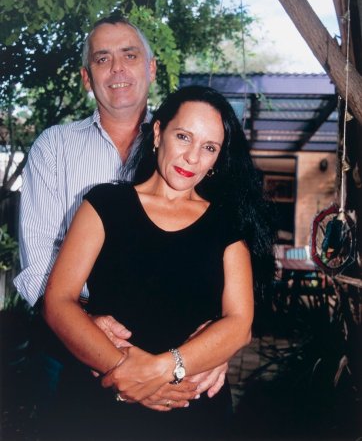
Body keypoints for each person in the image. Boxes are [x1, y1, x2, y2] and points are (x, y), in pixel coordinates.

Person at [14, 15, 225, 417]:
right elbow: (37, 260)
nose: (117, 69)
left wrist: (218, 341)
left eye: (129, 55)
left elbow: (216, 247)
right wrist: (88, 324)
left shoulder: (190, 146)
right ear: (86, 77)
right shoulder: (54, 148)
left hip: (175, 342)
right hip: (69, 342)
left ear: (150, 68)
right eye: (102, 59)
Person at [43, 85, 275, 440]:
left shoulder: (228, 222)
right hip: (99, 406)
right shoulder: (104, 203)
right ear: (157, 133)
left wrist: (161, 370)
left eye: (209, 147)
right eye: (183, 136)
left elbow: (239, 323)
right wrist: (125, 372)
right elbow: (59, 301)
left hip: (191, 411)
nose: (192, 157)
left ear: (217, 159)